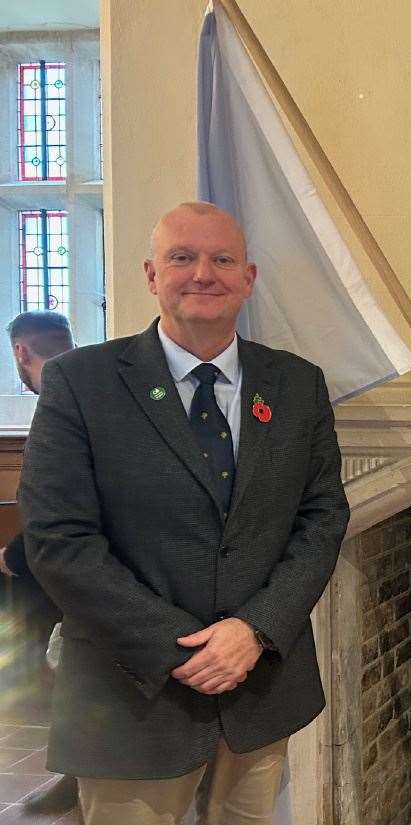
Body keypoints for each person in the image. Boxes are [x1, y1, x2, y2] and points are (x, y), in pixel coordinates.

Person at [18, 202, 349, 825]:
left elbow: (322, 517)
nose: (204, 273)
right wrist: (181, 648)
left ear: (248, 278)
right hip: (130, 695)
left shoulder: (297, 384)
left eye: (223, 259)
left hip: (259, 690)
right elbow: (60, 541)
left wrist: (253, 631)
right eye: (182, 258)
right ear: (150, 274)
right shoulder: (80, 383)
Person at [1, 311, 78, 814]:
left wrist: (14, 555)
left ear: (20, 353)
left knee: (65, 654)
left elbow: (62, 499)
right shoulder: (94, 386)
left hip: (71, 560)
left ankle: (77, 770)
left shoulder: (61, 396)